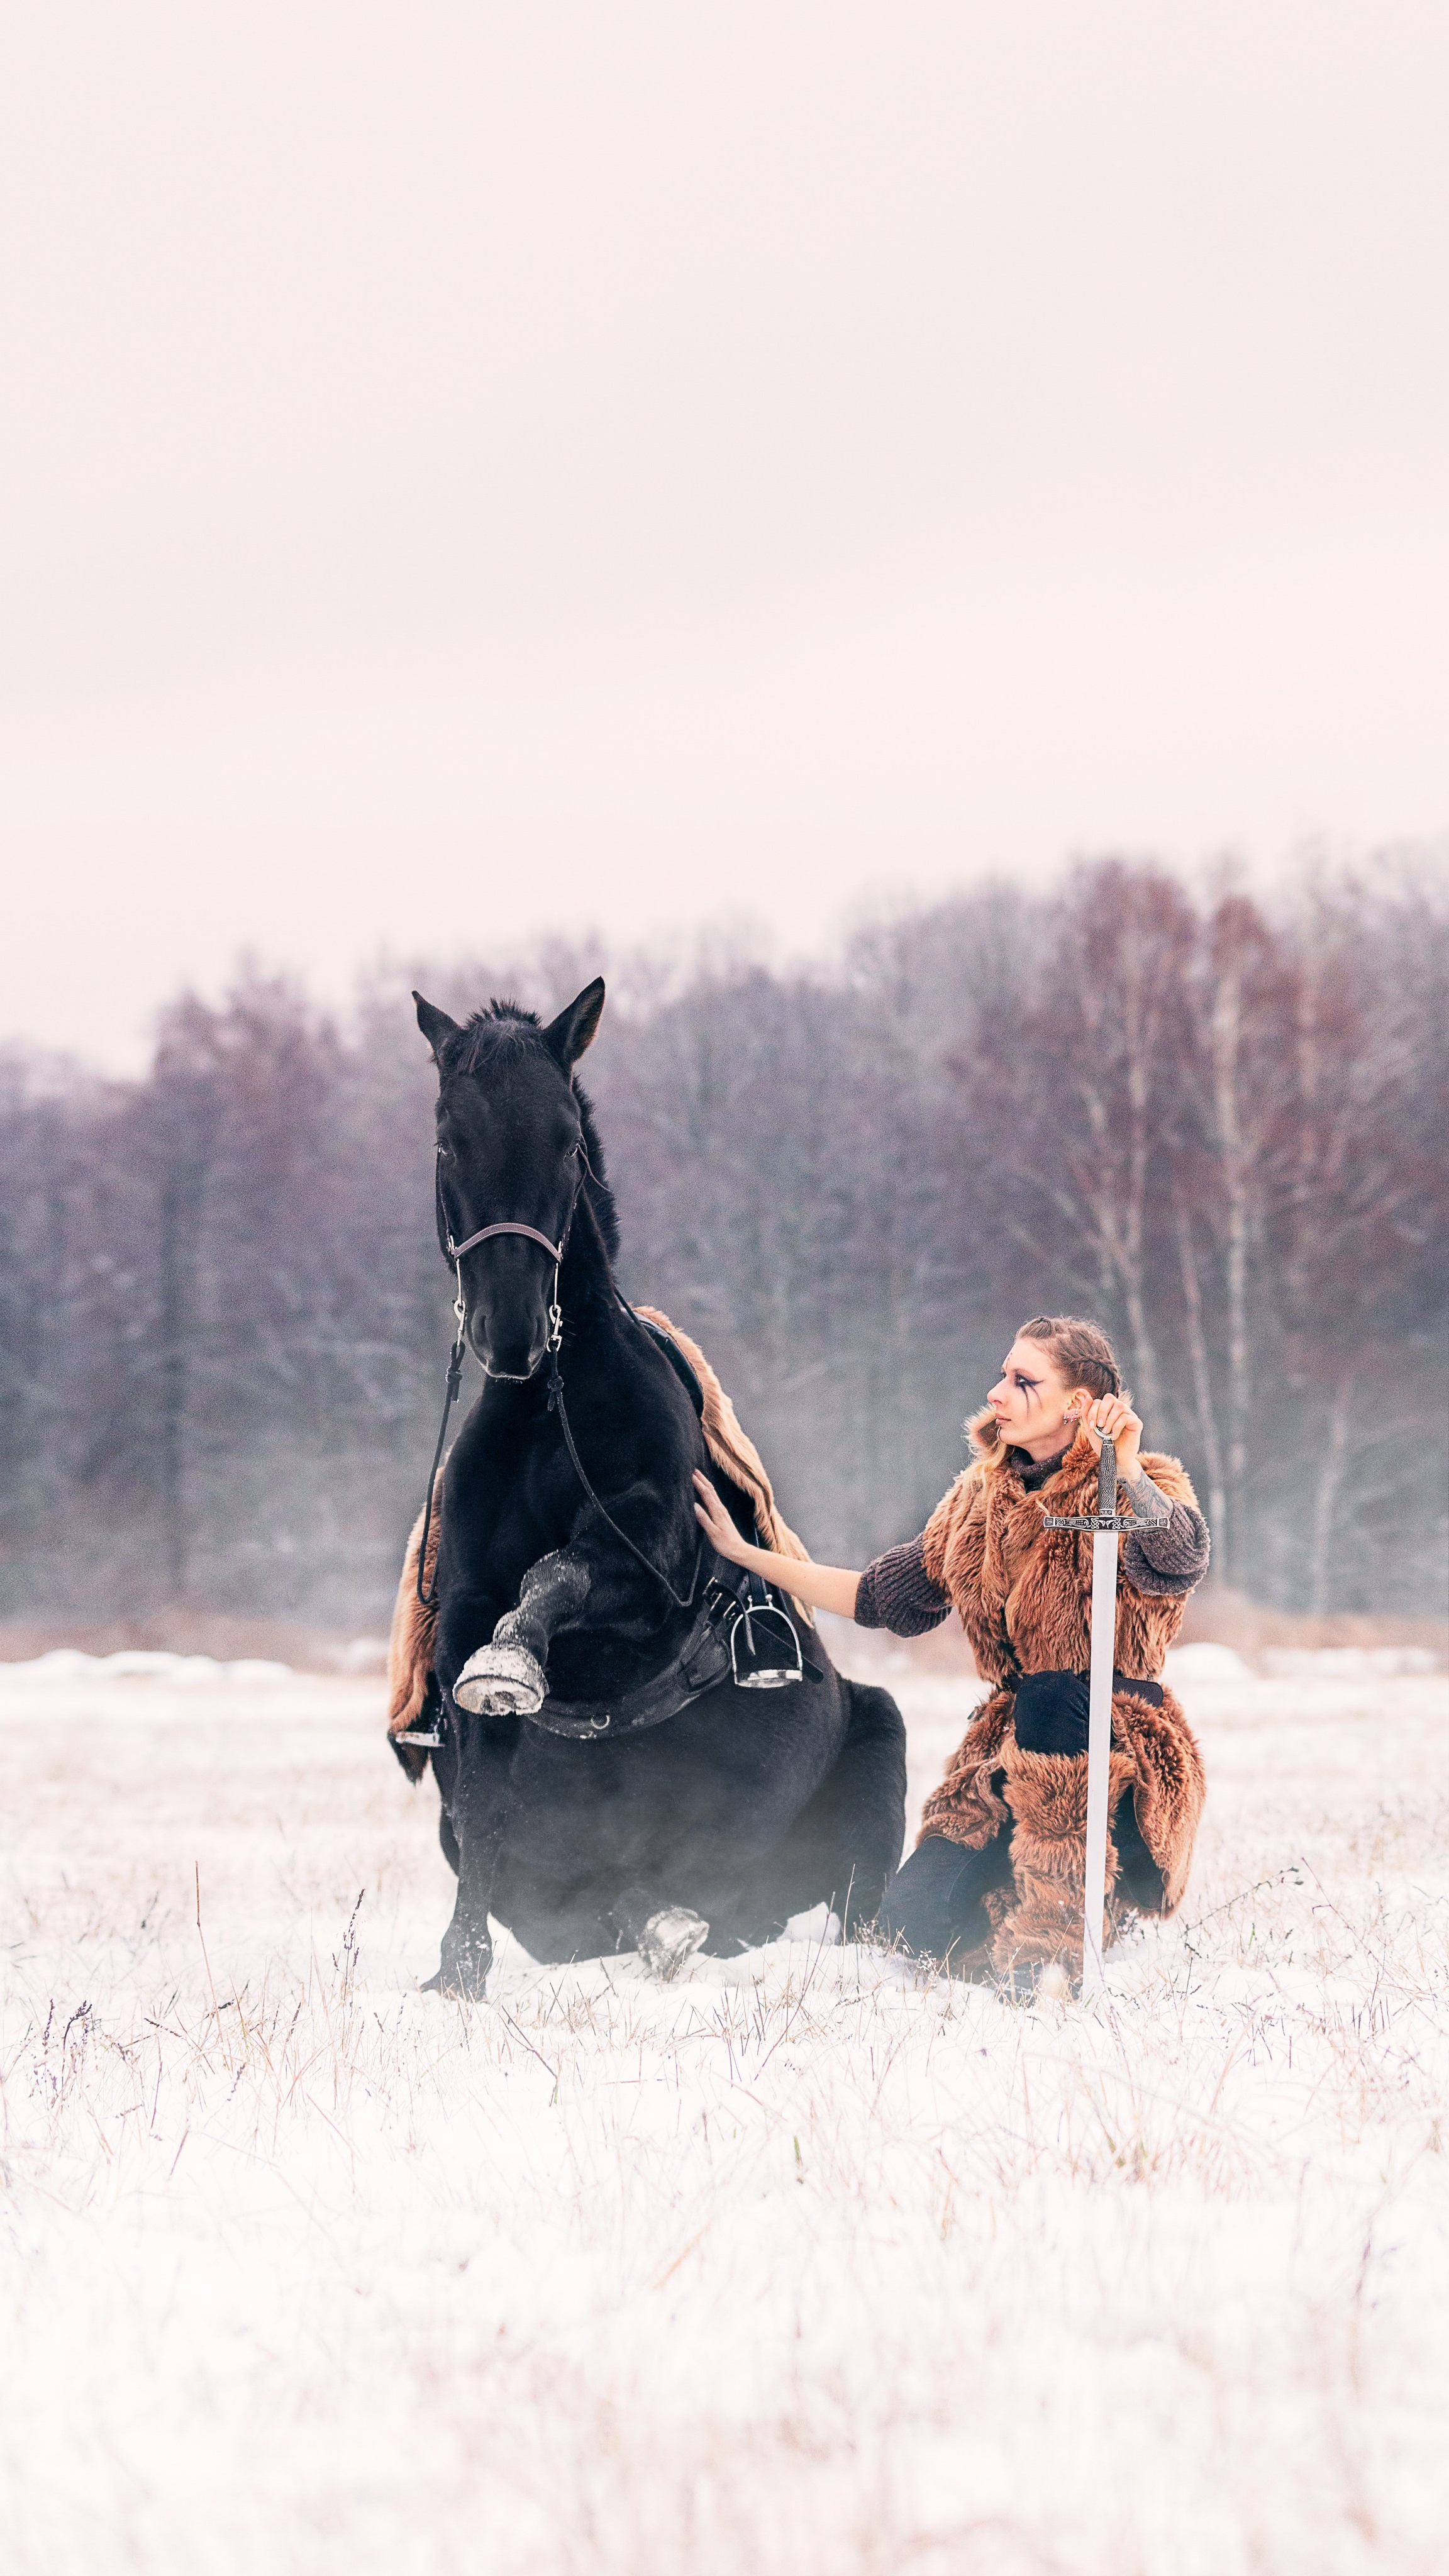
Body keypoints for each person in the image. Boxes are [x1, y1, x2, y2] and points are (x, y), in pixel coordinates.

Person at [693, 1314, 1209, 1984]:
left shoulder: (1142, 1485)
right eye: (1002, 1375)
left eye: (1023, 1380)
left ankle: (1063, 1937)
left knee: (1055, 1694)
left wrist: (1128, 1469)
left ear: (1077, 1404)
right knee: (910, 1926)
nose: (996, 1393)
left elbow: (1182, 1557)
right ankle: (1013, 1910)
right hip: (1011, 1748)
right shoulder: (977, 1502)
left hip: (1121, 1761)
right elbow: (877, 1598)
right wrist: (747, 1553)